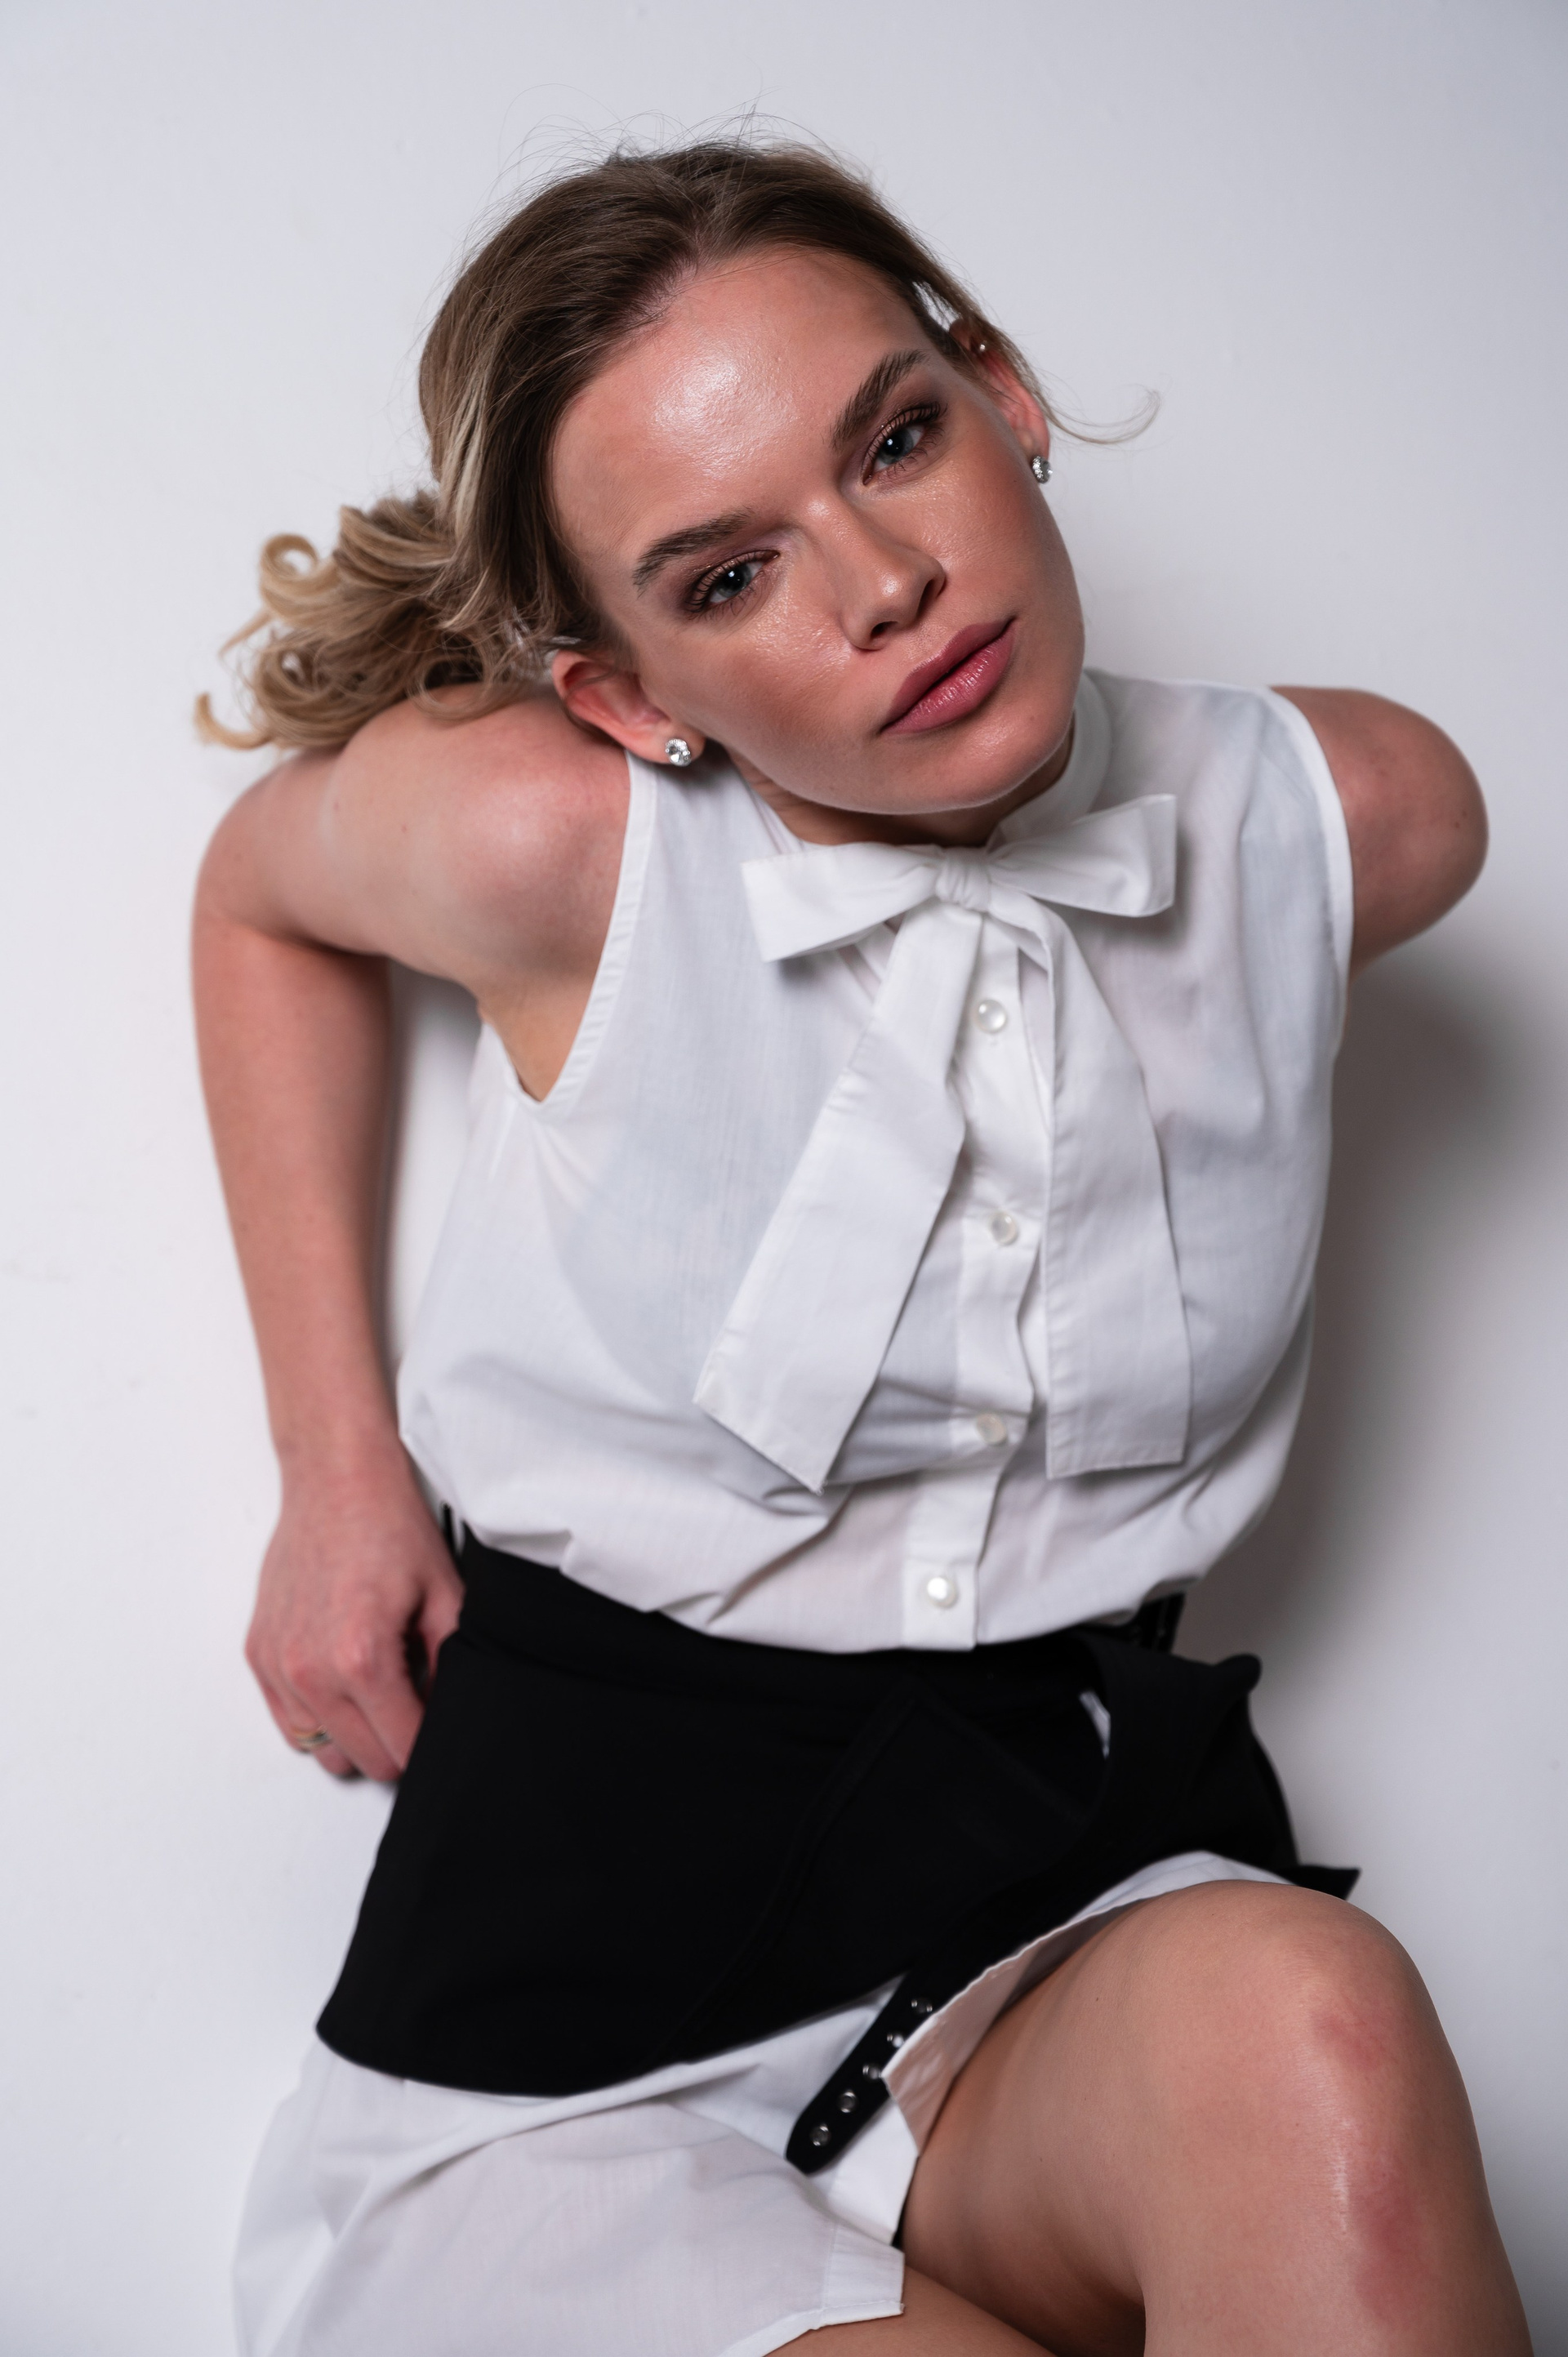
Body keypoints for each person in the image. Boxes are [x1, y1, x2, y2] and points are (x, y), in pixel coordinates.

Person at [193, 136, 1528, 2356]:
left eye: (896, 439)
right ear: (628, 693)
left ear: (1000, 388)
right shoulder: (554, 843)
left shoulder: (1350, 823)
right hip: (565, 2033)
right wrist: (333, 1466)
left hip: (1052, 1922)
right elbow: (258, 894)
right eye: (730, 576)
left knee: (1322, 2022)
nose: (890, 585)